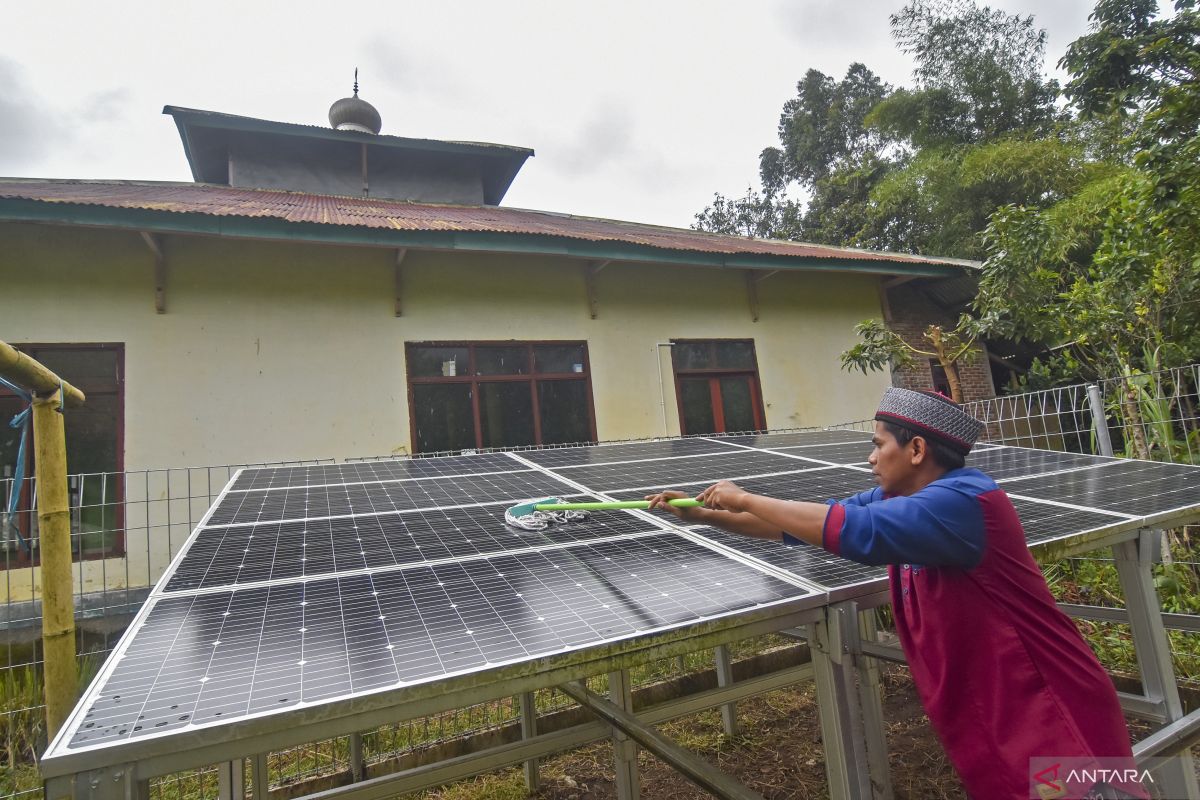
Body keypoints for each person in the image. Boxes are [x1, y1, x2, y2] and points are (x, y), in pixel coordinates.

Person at [647, 387, 1144, 800]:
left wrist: (744, 496)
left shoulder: (964, 502)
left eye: (878, 444)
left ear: (917, 450)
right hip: (990, 710)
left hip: (1051, 709)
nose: (870, 457)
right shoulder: (899, 496)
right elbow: (803, 525)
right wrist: (706, 515)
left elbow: (854, 531)